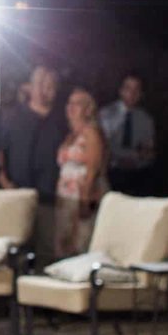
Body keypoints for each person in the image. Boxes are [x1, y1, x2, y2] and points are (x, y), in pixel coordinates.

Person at [0, 65, 66, 263]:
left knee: (47, 252)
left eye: (50, 85)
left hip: (50, 199)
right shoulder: (11, 117)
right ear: (29, 87)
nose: (44, 90)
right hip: (17, 194)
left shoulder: (62, 121)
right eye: (40, 84)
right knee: (15, 251)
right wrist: (4, 181)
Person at [54, 88, 108, 259]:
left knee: (80, 245)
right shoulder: (70, 135)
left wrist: (85, 200)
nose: (71, 107)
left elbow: (93, 169)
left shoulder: (92, 133)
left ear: (87, 108)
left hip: (83, 197)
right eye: (69, 103)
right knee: (63, 246)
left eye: (77, 103)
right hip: (66, 198)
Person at [99, 73, 156, 196]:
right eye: (128, 88)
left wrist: (140, 157)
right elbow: (101, 145)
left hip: (136, 176)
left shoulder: (146, 119)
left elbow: (148, 150)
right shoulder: (106, 114)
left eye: (136, 89)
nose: (132, 93)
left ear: (141, 94)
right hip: (111, 172)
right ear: (121, 91)